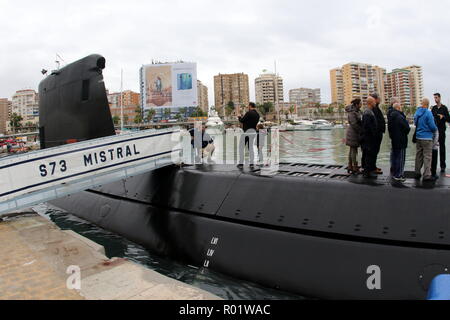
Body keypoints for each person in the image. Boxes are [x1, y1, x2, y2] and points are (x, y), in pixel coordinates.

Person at [414, 98, 438, 181]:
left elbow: (415, 123)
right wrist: (435, 129)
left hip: (418, 137)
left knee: (418, 155)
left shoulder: (417, 112)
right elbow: (432, 126)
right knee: (427, 157)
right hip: (427, 138)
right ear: (427, 105)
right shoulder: (428, 113)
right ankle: (427, 175)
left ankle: (417, 172)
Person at [388, 103, 410, 182]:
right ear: (398, 108)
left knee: (395, 157)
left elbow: (389, 128)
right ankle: (399, 175)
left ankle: (395, 173)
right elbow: (407, 128)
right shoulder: (400, 117)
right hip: (401, 140)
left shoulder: (391, 116)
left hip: (394, 140)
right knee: (400, 158)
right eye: (400, 107)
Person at [431, 93, 450, 174]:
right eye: (434, 98)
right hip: (434, 131)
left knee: (442, 149)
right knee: (433, 149)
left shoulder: (444, 108)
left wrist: (443, 117)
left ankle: (443, 166)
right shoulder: (433, 108)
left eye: (436, 98)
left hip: (442, 131)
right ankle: (433, 167)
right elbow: (431, 118)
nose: (435, 99)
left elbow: (449, 119)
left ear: (439, 98)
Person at [238, 102, 260, 168]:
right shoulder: (257, 115)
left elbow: (242, 120)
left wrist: (239, 117)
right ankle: (251, 163)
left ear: (250, 106)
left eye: (248, 106)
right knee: (250, 148)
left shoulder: (248, 113)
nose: (248, 108)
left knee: (241, 147)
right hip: (253, 132)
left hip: (246, 132)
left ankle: (241, 163)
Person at [361, 96, 379, 178]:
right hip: (368, 138)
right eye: (374, 102)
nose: (375, 103)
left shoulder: (367, 112)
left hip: (367, 138)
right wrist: (373, 135)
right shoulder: (368, 112)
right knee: (368, 155)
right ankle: (367, 173)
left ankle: (367, 171)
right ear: (371, 103)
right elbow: (368, 126)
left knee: (367, 154)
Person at [345, 98, 363, 174]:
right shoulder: (352, 112)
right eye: (360, 103)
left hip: (353, 132)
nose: (361, 104)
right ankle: (354, 167)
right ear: (356, 104)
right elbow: (354, 123)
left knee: (352, 150)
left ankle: (350, 166)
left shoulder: (356, 111)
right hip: (353, 133)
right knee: (353, 150)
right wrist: (361, 131)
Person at [370, 93, 386, 174]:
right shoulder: (374, 109)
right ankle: (372, 167)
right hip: (376, 134)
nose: (380, 99)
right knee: (374, 150)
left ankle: (373, 166)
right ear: (375, 99)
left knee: (376, 150)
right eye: (379, 98)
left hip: (378, 133)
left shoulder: (376, 108)